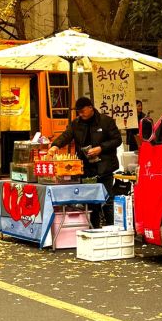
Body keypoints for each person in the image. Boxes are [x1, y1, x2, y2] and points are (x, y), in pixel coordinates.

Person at [49, 95, 122, 227]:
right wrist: (55, 145)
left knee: (108, 199)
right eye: (78, 112)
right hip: (86, 168)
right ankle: (93, 227)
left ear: (90, 108)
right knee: (91, 200)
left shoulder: (106, 121)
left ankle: (112, 227)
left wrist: (101, 148)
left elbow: (117, 140)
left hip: (104, 166)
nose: (80, 114)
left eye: (83, 111)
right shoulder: (76, 123)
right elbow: (66, 136)